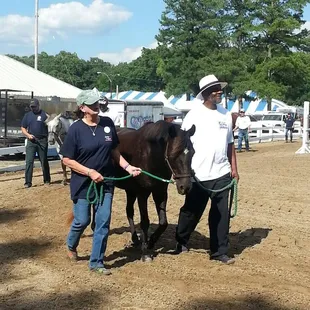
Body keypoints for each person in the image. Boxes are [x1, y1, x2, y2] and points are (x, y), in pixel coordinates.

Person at [60, 89, 141, 275]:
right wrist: (89, 172)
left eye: (97, 102)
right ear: (82, 108)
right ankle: (71, 244)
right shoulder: (76, 130)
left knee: (103, 222)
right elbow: (66, 159)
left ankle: (96, 262)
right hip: (83, 183)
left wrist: (128, 167)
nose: (97, 105)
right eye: (92, 104)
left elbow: (114, 150)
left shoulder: (107, 124)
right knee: (82, 220)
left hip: (105, 182)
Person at [174, 74, 239, 264]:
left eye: (220, 89)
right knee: (191, 211)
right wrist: (180, 171)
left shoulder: (226, 114)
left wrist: (234, 168)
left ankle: (219, 252)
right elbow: (180, 145)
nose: (219, 92)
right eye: (215, 89)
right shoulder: (193, 115)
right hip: (197, 174)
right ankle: (181, 240)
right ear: (206, 93)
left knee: (221, 214)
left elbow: (230, 144)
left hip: (222, 173)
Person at [21, 98, 51, 188]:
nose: (33, 108)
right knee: (29, 161)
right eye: (32, 107)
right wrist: (28, 135)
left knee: (44, 161)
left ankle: (47, 179)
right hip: (31, 141)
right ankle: (28, 182)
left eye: (34, 106)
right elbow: (23, 127)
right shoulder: (27, 116)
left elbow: (50, 127)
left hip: (42, 140)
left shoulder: (45, 115)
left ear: (38, 105)